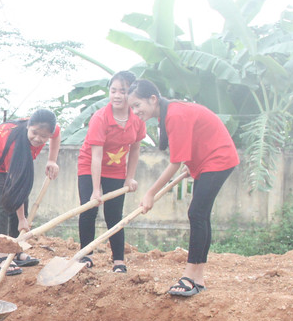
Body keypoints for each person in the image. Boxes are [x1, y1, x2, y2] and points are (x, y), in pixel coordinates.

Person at [127, 79, 239, 296]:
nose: (135, 111)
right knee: (200, 214)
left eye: (137, 105)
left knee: (197, 213)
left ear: (152, 99)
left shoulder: (175, 115)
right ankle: (198, 278)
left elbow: (175, 162)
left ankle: (190, 276)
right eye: (132, 107)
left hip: (218, 159)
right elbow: (190, 143)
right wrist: (192, 165)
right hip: (207, 161)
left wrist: (150, 193)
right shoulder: (169, 113)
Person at [0, 109, 60, 276]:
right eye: (34, 133)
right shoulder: (13, 144)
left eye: (44, 136)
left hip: (9, 160)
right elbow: (15, 186)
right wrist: (22, 219)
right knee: (0, 207)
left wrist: (52, 161)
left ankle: (16, 251)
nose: (38, 139)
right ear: (28, 126)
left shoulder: (49, 130)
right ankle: (2, 257)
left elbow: (57, 135)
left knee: (21, 199)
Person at [77, 71, 145, 272]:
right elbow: (96, 155)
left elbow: (135, 149)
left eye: (122, 91)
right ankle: (86, 255)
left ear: (131, 94)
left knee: (114, 213)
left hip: (116, 169)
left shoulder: (137, 119)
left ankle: (118, 260)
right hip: (90, 166)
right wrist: (96, 190)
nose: (116, 95)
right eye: (113, 90)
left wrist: (129, 178)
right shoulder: (100, 118)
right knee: (88, 210)